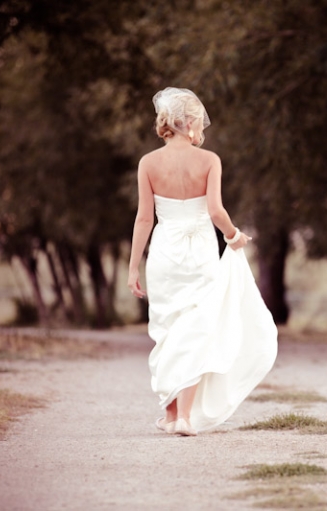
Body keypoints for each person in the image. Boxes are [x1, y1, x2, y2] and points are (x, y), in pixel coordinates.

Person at [127, 87, 277, 437]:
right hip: (201, 255)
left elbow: (144, 220)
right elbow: (215, 211)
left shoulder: (148, 163)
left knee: (167, 330)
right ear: (191, 121)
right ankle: (184, 418)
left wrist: (133, 266)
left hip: (164, 253)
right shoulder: (209, 160)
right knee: (197, 330)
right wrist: (233, 236)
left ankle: (170, 414)